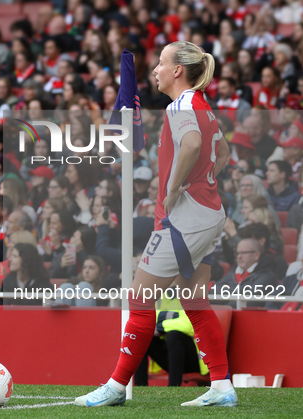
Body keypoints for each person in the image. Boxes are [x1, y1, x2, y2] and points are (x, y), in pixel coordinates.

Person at [74, 41, 237, 408]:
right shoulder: (200, 104)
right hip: (209, 215)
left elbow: (193, 145)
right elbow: (222, 153)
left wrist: (177, 187)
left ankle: (115, 387)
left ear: (178, 70)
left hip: (185, 218)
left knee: (140, 297)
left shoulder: (180, 105)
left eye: (161, 63)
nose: (156, 70)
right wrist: (201, 183)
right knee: (194, 300)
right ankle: (223, 387)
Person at [135, 296, 208, 386]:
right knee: (142, 336)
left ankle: (173, 386)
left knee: (174, 335)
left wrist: (159, 326)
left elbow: (187, 325)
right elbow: (147, 317)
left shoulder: (190, 294)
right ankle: (140, 387)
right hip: (172, 358)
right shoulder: (158, 295)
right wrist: (175, 317)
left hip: (198, 360)